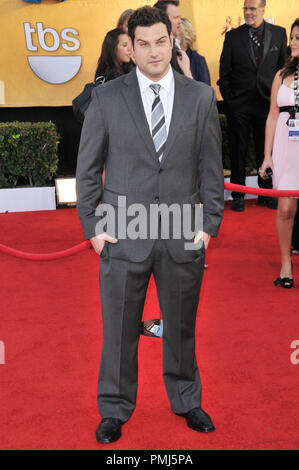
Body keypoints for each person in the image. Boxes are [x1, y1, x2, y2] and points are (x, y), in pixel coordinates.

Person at [76, 6, 224, 444]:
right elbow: (88, 170)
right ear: (131, 47)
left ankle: (185, 397)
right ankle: (114, 408)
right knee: (119, 326)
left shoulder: (199, 96)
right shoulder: (105, 98)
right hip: (122, 231)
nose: (154, 51)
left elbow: (211, 167)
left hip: (183, 231)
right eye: (143, 44)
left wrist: (209, 224)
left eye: (161, 41)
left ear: (172, 40)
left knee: (180, 323)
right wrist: (94, 229)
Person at [217, 0, 288, 212]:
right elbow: (224, 72)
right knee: (237, 151)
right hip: (239, 105)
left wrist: (277, 99)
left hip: (267, 103)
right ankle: (238, 194)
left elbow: (282, 70)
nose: (248, 12)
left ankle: (266, 192)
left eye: (252, 9)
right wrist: (230, 100)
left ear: (263, 9)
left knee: (265, 150)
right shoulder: (233, 36)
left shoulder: (278, 33)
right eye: (245, 8)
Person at [259, 18, 299, 288]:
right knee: (285, 208)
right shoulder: (281, 75)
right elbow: (273, 116)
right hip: (286, 147)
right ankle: (286, 262)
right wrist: (267, 156)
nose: (293, 42)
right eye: (293, 37)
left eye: (298, 38)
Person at [154, 0, 193, 78]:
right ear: (163, 20)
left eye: (180, 17)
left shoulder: (174, 45)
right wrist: (187, 72)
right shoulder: (159, 52)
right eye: (176, 18)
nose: (180, 22)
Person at [179, 17, 211, 85]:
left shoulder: (198, 60)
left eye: (176, 33)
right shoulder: (169, 59)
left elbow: (206, 91)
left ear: (184, 35)